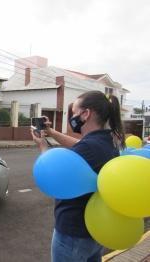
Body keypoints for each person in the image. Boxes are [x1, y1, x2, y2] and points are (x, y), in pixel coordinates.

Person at [30, 91, 125, 262]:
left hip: (73, 233)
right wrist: (51, 132)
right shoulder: (107, 140)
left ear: (85, 114)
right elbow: (79, 144)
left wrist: (43, 146)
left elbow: (55, 176)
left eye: (74, 113)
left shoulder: (89, 148)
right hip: (94, 230)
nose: (72, 117)